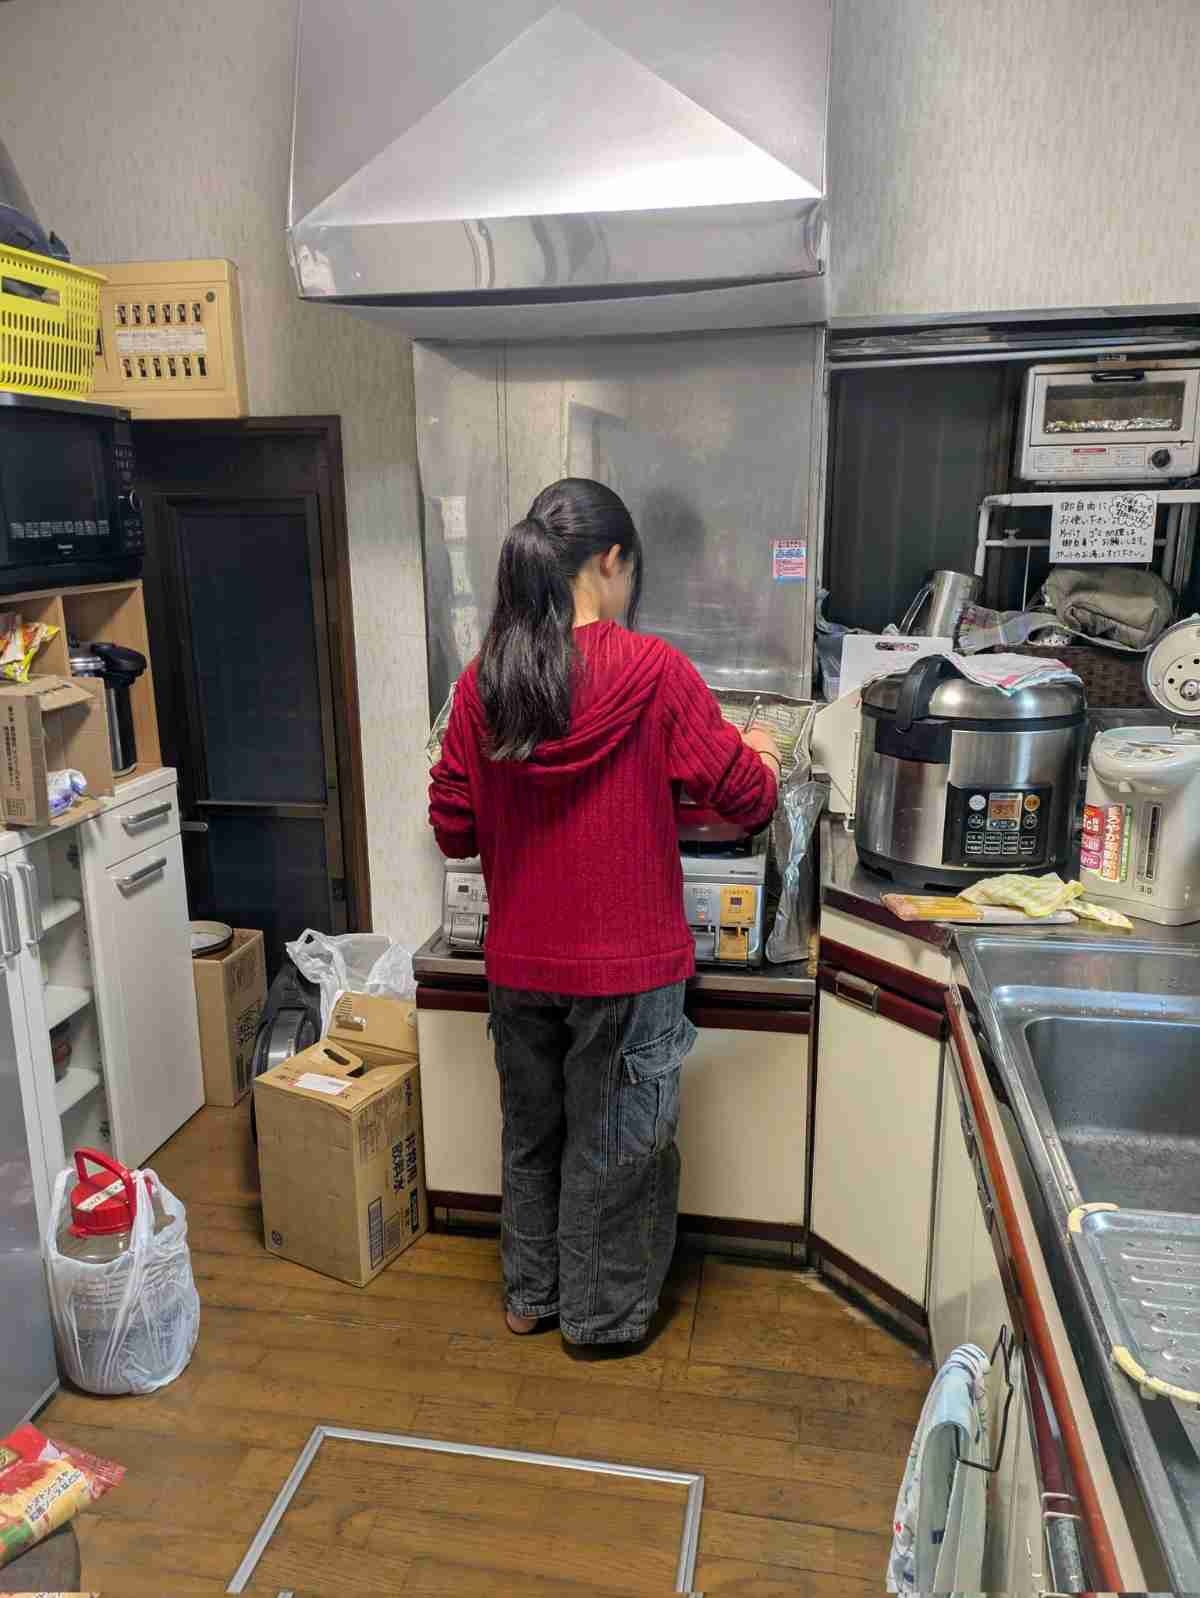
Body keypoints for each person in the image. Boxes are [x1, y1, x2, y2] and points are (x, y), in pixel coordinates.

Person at [428, 478, 781, 1351]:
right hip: (629, 967)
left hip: (519, 965)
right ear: (611, 561)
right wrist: (762, 753)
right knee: (619, 1148)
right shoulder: (654, 672)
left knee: (532, 1135)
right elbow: (745, 799)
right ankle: (601, 1321)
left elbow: (453, 827)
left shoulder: (485, 682)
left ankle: (530, 1297)